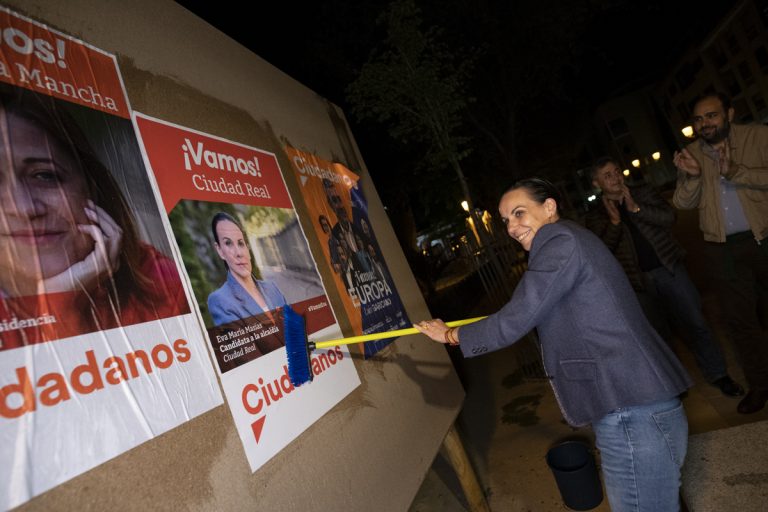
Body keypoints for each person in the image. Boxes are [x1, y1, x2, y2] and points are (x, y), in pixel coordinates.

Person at [415, 178, 691, 512]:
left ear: (549, 207)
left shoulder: (559, 241)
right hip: (633, 402)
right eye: (506, 221)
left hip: (631, 410)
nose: (512, 227)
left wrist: (451, 336)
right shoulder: (571, 239)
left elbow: (518, 316)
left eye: (519, 213)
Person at [0, 86, 188, 349]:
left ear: (90, 184)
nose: (23, 208)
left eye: (45, 175)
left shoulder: (159, 282)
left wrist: (60, 303)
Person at [586, 156, 743, 397]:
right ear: (596, 184)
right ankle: (675, 383)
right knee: (659, 336)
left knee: (696, 323)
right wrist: (616, 222)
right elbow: (602, 249)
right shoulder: (596, 215)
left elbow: (669, 218)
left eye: (617, 171)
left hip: (670, 269)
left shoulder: (642, 192)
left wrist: (636, 209)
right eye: (608, 175)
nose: (616, 177)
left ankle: (719, 374)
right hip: (637, 283)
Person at [673, 93, 768, 414]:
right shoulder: (692, 154)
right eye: (698, 119)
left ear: (729, 113)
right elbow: (682, 203)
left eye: (711, 116)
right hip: (721, 249)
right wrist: (693, 176)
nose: (704, 124)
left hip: (763, 239)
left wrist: (736, 172)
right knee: (740, 323)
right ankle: (760, 385)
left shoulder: (758, 136)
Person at [207, 212, 287, 327]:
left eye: (241, 243)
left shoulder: (272, 288)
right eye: (228, 243)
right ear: (220, 250)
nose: (239, 253)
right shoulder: (220, 301)